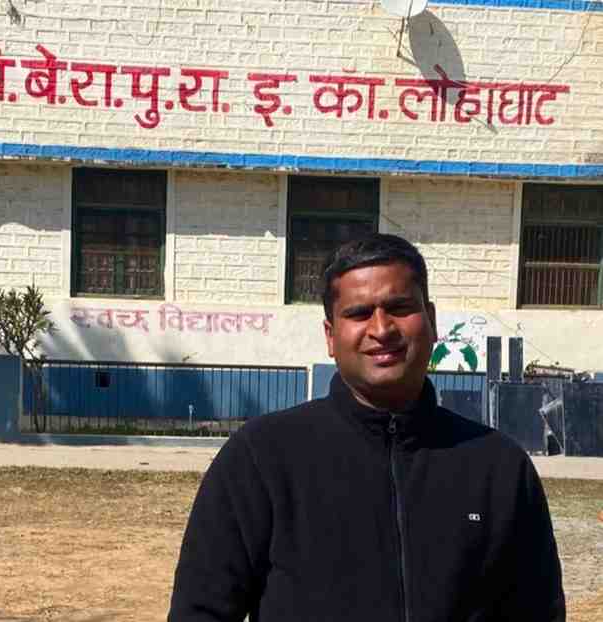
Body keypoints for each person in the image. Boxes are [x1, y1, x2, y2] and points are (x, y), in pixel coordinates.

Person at [168, 233, 565, 621]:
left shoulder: (498, 466)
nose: (382, 328)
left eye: (400, 307)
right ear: (330, 335)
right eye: (359, 313)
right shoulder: (261, 458)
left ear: (431, 320)